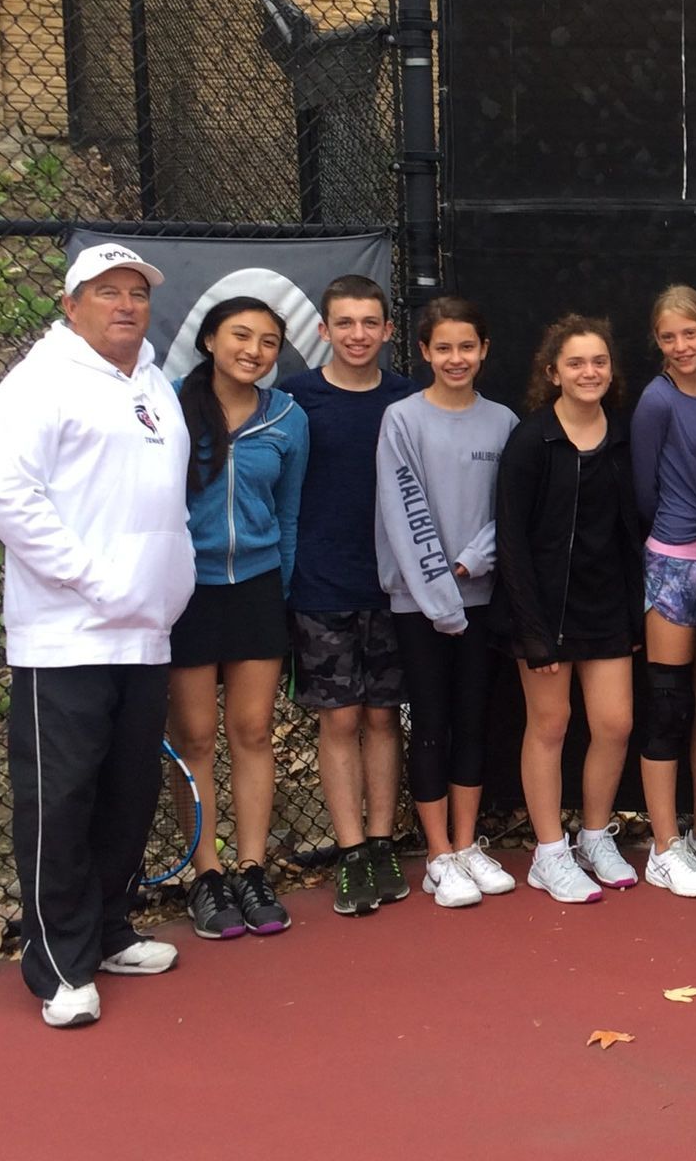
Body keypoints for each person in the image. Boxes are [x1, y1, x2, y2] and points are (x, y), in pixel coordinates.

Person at [0, 244, 196, 1027]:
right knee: (61, 801)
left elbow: (168, 501)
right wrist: (95, 580)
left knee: (125, 794)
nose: (127, 305)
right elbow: (6, 497)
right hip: (65, 638)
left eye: (137, 292)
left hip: (145, 635)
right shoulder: (38, 383)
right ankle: (57, 966)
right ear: (71, 306)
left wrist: (177, 581)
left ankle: (107, 931)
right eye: (108, 292)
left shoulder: (152, 385)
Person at [165, 297, 309, 941]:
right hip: (183, 591)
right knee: (194, 737)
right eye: (240, 335)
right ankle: (207, 873)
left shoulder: (287, 418)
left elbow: (290, 513)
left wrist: (277, 590)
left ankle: (251, 869)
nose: (254, 350)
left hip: (254, 590)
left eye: (269, 341)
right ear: (209, 341)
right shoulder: (167, 406)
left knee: (252, 731)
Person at [494, 314, 647, 903]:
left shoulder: (625, 434)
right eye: (577, 363)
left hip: (607, 609)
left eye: (600, 362)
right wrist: (534, 632)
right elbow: (512, 539)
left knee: (614, 725)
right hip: (543, 618)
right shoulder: (532, 439)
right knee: (551, 726)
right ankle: (549, 853)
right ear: (553, 372)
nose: (590, 372)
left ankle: (592, 836)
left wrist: (633, 615)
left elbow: (630, 530)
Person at [278, 275, 417, 918]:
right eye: (345, 323)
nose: (358, 334)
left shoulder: (408, 400)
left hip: (394, 586)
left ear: (388, 332)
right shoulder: (293, 401)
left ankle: (384, 842)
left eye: (370, 323)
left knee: (384, 717)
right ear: (323, 332)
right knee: (339, 719)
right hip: (320, 584)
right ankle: (351, 851)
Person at [376, 297, 518, 908]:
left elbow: (509, 514)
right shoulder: (401, 419)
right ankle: (436, 855)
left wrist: (471, 565)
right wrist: (440, 591)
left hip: (483, 600)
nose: (455, 358)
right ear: (425, 352)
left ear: (483, 350)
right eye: (443, 348)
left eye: (467, 347)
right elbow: (403, 513)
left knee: (474, 722)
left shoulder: (505, 422)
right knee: (431, 725)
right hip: (420, 604)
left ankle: (465, 845)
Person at [629, 285, 696, 896]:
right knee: (669, 705)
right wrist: (676, 535)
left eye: (689, 334)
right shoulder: (655, 401)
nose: (680, 346)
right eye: (669, 337)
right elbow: (643, 490)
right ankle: (665, 845)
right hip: (673, 563)